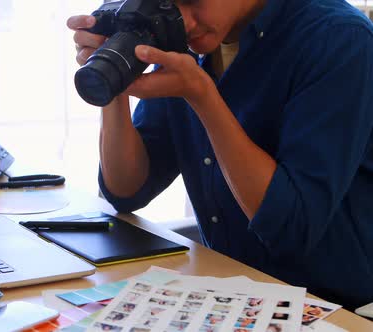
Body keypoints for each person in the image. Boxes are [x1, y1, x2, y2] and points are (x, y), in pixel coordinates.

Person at [67, 0, 373, 310]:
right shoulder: (180, 36)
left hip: (337, 307)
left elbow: (291, 227)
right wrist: (113, 73)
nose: (183, 21)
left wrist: (202, 96)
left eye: (192, 1)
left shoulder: (339, 40)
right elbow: (127, 190)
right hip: (234, 294)